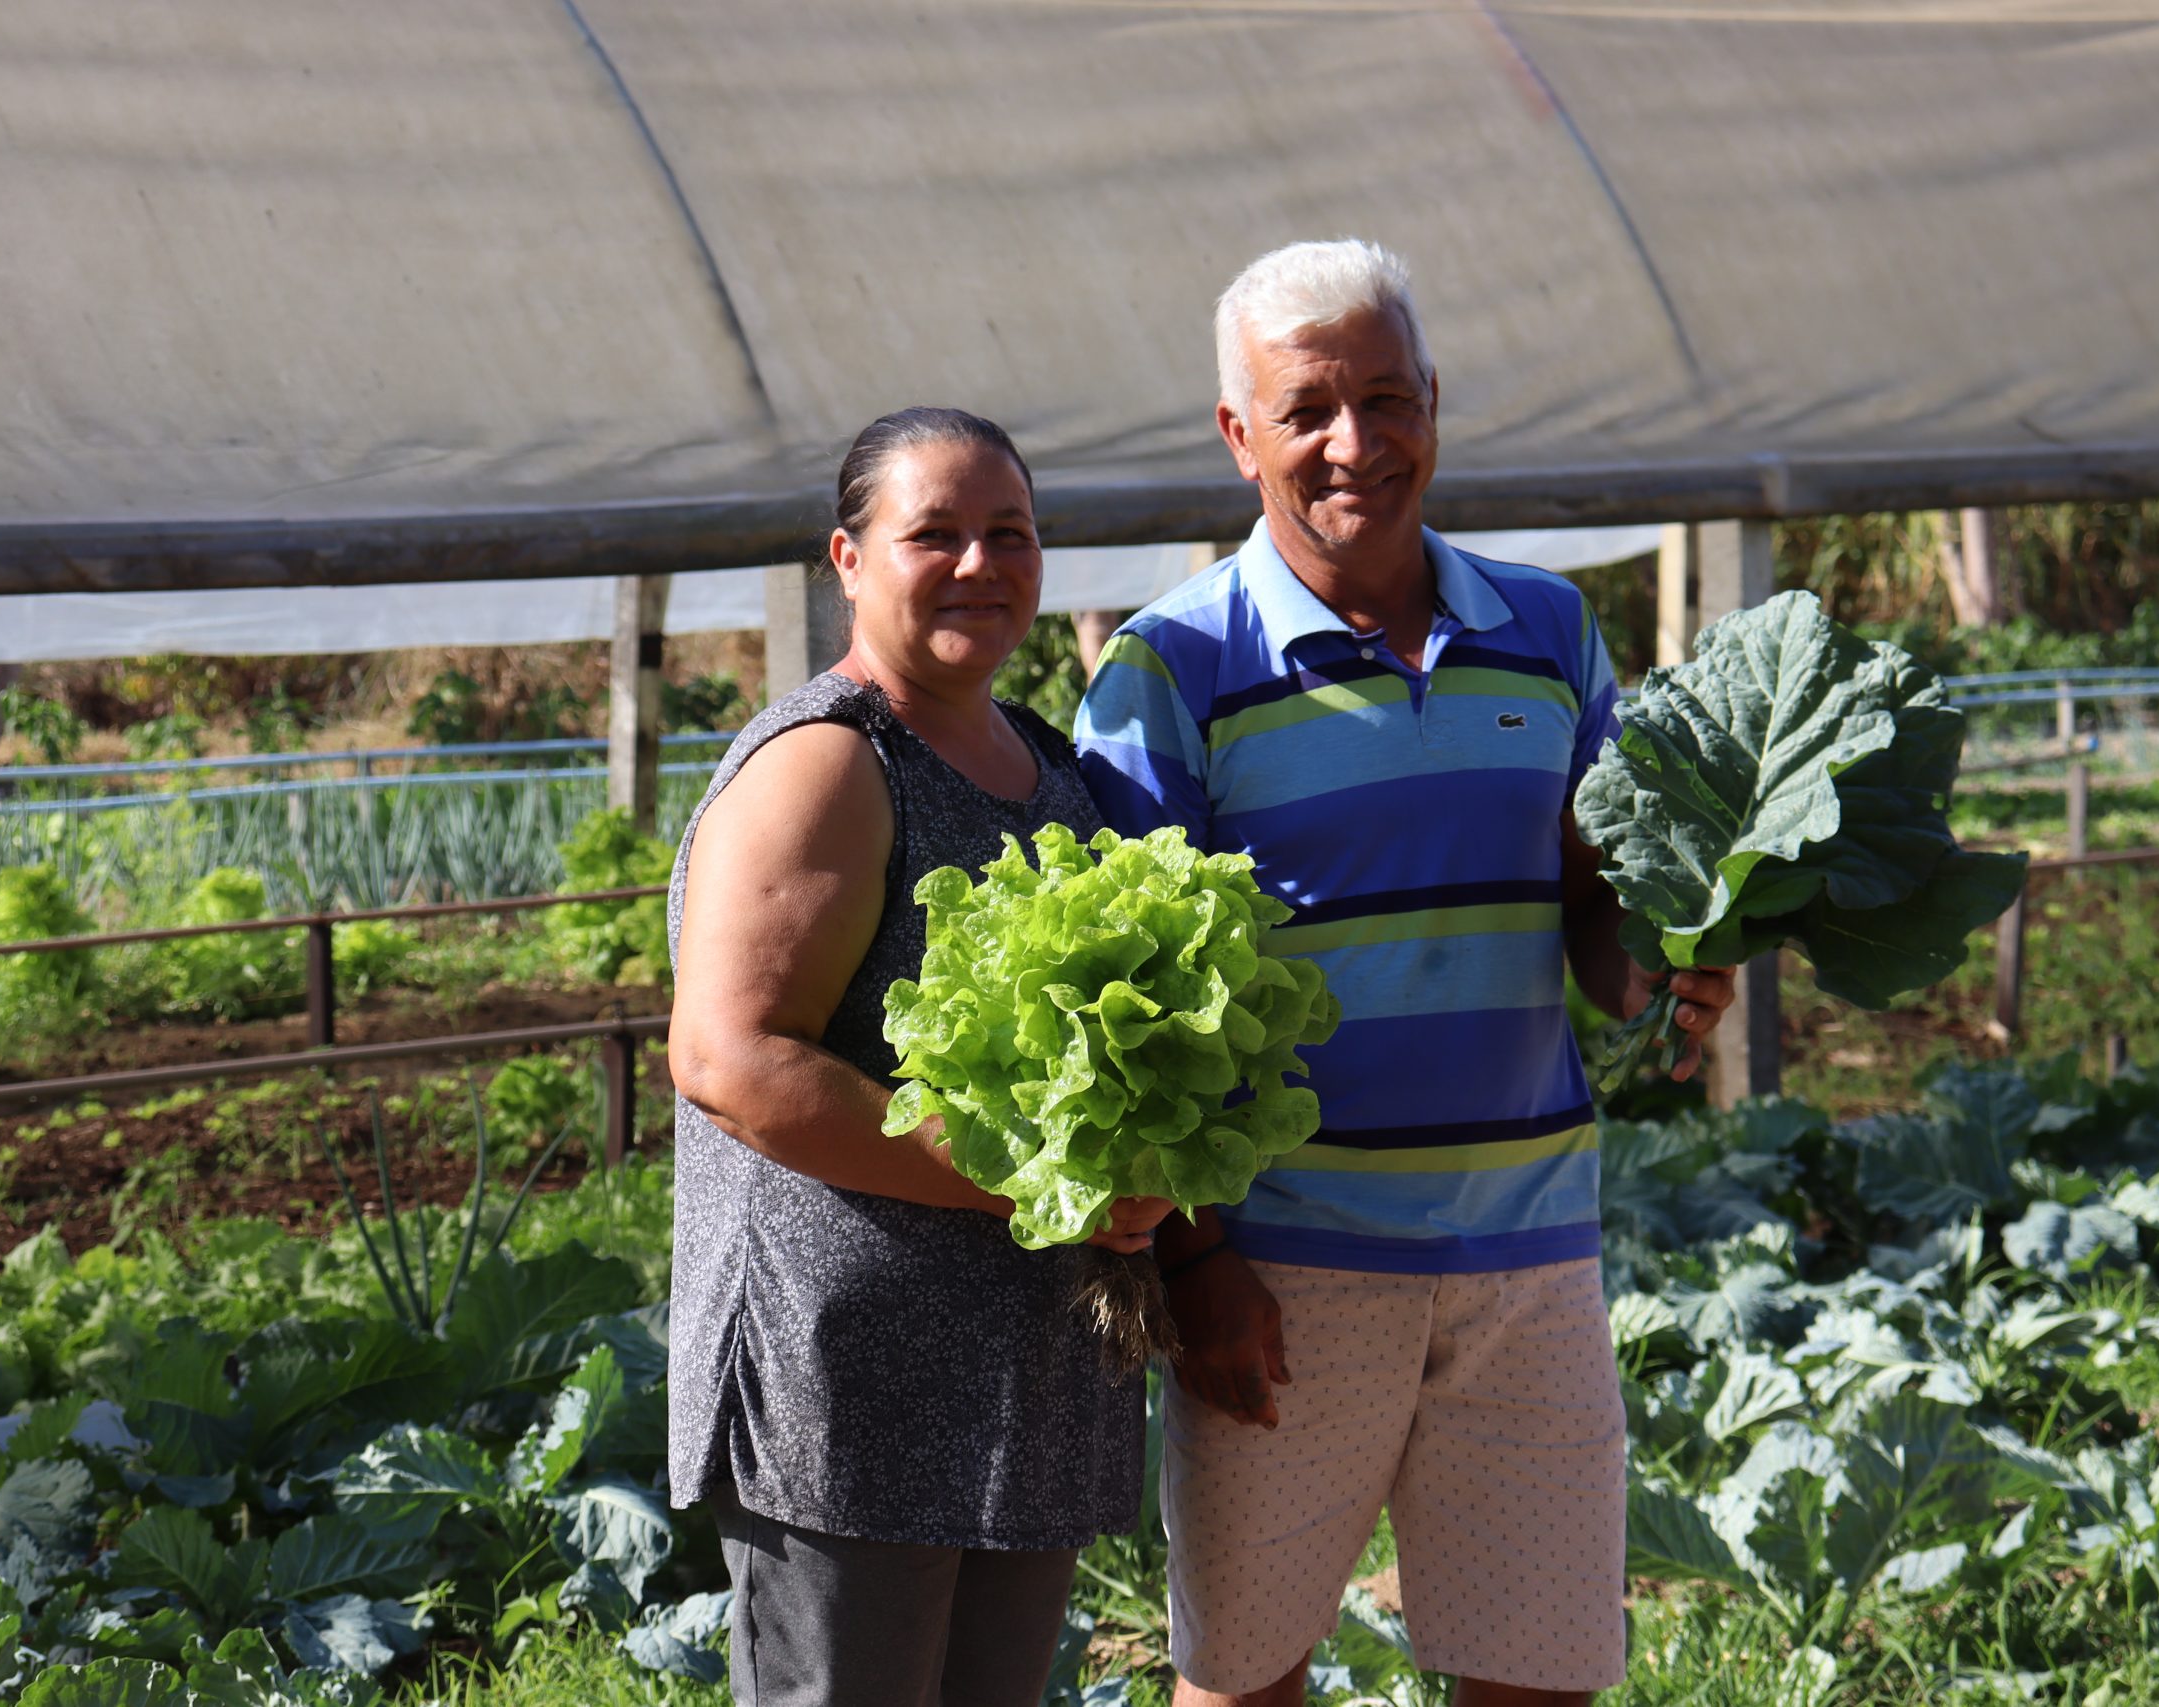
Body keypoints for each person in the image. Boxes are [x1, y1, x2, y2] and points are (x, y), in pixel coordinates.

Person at [1073, 240, 1741, 1707]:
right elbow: (1122, 1022)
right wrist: (1198, 1261)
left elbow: (1586, 896)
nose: (1354, 445)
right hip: (1289, 1268)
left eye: (1387, 399)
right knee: (1246, 1678)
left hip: (1532, 1255)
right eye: (1308, 409)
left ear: (1435, 402)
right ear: (1237, 437)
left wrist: (1664, 968)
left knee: (1538, 1673)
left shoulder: (1549, 629)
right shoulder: (1168, 670)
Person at [666, 406, 1169, 1707]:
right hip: (853, 1385)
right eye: (931, 533)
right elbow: (732, 1060)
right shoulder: (829, 764)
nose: (977, 564)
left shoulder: (1048, 769)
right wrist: (1028, 1180)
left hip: (1020, 1383)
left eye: (1010, 533)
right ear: (847, 558)